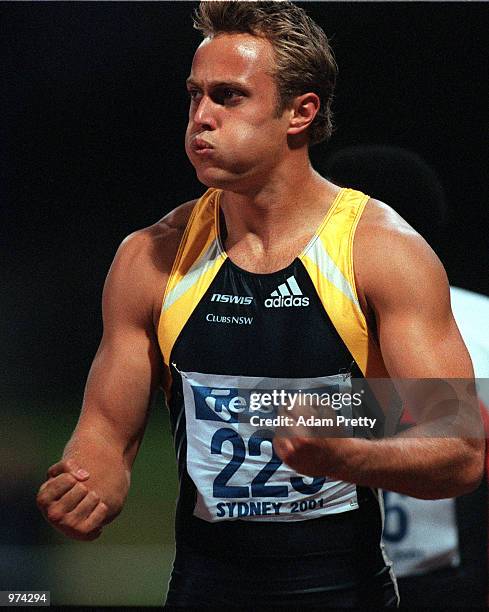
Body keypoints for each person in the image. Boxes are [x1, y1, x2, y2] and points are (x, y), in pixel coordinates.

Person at [36, 2, 484, 608]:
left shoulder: (382, 253)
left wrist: (345, 454)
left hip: (345, 593)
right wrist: (92, 484)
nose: (201, 118)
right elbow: (105, 437)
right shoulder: (150, 258)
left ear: (301, 112)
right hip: (201, 591)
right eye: (194, 95)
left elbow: (458, 452)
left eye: (229, 97)